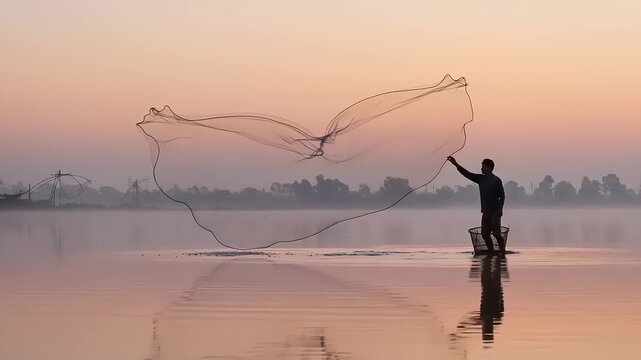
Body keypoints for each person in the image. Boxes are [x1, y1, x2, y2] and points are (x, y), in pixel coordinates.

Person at [447, 156, 505, 254]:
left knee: (496, 233)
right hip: (485, 212)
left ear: (490, 168)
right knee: (485, 234)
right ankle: (491, 251)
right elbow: (467, 174)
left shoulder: (496, 180)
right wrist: (455, 164)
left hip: (495, 212)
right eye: (482, 166)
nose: (481, 168)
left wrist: (500, 208)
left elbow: (502, 196)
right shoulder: (480, 179)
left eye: (484, 167)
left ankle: (502, 251)